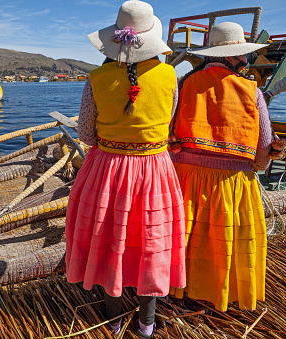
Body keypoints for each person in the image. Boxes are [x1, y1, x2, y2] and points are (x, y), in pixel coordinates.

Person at [65, 1, 186, 338]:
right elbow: (168, 124)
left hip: (107, 170)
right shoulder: (169, 76)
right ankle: (147, 323)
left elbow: (87, 134)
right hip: (154, 169)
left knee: (109, 238)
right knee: (152, 240)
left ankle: (113, 319)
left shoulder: (96, 77)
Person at [169, 22, 273, 312]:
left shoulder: (185, 84)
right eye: (244, 57)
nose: (246, 61)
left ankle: (181, 292)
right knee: (223, 242)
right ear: (232, 57)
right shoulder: (252, 92)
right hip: (231, 185)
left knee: (189, 239)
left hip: (186, 181)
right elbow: (263, 155)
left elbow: (169, 135)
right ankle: (218, 296)